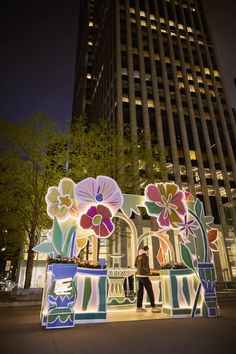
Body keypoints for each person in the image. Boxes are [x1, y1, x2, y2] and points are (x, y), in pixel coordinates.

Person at [135, 245, 159, 313]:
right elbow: (145, 266)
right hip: (144, 275)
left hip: (139, 275)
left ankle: (139, 307)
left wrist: (139, 270)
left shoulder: (138, 256)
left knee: (140, 291)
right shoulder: (145, 256)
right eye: (148, 250)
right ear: (147, 250)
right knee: (150, 290)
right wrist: (148, 272)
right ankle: (153, 307)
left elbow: (135, 265)